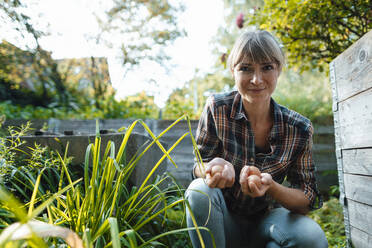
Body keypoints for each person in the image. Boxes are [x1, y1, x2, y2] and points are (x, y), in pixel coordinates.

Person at [185, 30, 328, 248]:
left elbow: (307, 198)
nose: (256, 79)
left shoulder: (299, 128)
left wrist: (271, 187)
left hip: (267, 221)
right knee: (198, 191)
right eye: (246, 68)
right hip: (222, 222)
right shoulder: (217, 108)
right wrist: (211, 168)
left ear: (278, 69)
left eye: (267, 67)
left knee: (311, 237)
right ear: (233, 71)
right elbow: (197, 165)